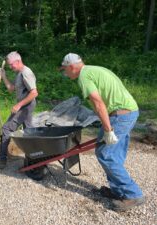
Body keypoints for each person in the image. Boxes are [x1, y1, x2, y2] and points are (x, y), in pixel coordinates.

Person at [59, 53, 145, 211]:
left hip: (120, 115)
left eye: (65, 70)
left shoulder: (83, 77)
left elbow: (98, 103)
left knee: (105, 154)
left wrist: (108, 129)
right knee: (115, 154)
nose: (65, 73)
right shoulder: (94, 70)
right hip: (130, 111)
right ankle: (120, 191)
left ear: (71, 67)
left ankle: (133, 194)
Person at [0, 51, 38, 168]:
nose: (10, 67)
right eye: (9, 65)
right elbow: (11, 88)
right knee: (29, 131)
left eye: (11, 64)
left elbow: (34, 93)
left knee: (6, 128)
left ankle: (2, 160)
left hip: (26, 106)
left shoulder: (26, 73)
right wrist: (4, 77)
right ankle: (34, 156)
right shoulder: (19, 74)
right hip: (24, 106)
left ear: (18, 61)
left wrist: (18, 105)